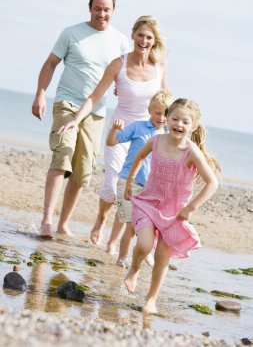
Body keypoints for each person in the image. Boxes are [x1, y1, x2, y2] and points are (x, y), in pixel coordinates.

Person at [59, 15, 169, 249]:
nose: (144, 40)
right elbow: (95, 96)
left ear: (154, 40)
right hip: (120, 131)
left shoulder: (159, 68)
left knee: (131, 190)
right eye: (140, 35)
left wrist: (178, 134)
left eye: (149, 37)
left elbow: (167, 103)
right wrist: (77, 120)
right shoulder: (118, 64)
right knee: (111, 186)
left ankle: (113, 242)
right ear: (133, 35)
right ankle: (101, 218)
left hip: (147, 136)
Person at [31, 0, 130, 238]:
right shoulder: (71, 33)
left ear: (113, 10)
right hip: (67, 102)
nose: (102, 14)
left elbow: (123, 76)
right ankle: (46, 221)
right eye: (97, 8)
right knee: (63, 155)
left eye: (106, 9)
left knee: (83, 169)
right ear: (90, 8)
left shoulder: (121, 42)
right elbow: (50, 64)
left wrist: (121, 89)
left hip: (95, 112)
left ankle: (64, 222)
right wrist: (41, 93)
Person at [124, 98, 221, 314]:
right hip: (148, 202)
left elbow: (212, 182)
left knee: (161, 257)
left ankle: (151, 299)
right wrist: (129, 182)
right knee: (144, 245)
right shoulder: (156, 141)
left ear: (193, 126)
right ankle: (134, 267)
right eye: (175, 118)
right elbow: (139, 156)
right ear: (166, 118)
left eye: (185, 122)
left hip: (173, 214)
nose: (179, 124)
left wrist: (191, 208)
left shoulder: (191, 151)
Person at [106, 91, 174, 268]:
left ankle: (145, 253)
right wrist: (115, 128)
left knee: (147, 226)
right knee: (130, 224)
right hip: (129, 182)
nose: (161, 117)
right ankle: (122, 258)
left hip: (151, 188)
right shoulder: (138, 127)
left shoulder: (168, 136)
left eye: (165, 113)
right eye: (157, 112)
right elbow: (111, 142)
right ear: (149, 110)